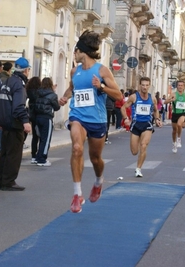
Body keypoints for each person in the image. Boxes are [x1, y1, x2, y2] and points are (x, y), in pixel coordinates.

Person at [58, 30, 122, 213]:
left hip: (97, 119)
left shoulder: (102, 70)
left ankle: (98, 181)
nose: (74, 55)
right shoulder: (74, 71)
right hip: (78, 116)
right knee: (77, 148)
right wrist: (64, 97)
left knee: (95, 158)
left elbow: (118, 95)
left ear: (81, 52)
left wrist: (100, 86)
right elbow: (72, 88)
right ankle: (77, 194)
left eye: (75, 52)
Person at [0, 57, 32, 191]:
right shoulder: (19, 85)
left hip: (5, 122)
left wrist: (0, 119)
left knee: (5, 153)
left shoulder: (6, 81)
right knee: (14, 154)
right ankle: (9, 181)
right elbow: (18, 106)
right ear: (26, 70)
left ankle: (0, 181)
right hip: (14, 123)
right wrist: (25, 121)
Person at [121, 77, 162, 177]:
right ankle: (139, 143)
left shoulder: (152, 98)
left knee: (144, 145)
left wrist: (157, 119)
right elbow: (123, 107)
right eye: (143, 85)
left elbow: (156, 110)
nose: (144, 87)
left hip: (147, 125)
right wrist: (126, 118)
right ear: (140, 85)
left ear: (149, 86)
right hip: (135, 125)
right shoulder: (134, 97)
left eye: (146, 85)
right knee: (134, 152)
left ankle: (138, 169)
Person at [34, 77, 60, 166]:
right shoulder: (52, 95)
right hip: (47, 118)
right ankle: (42, 159)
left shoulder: (38, 93)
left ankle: (38, 157)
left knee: (41, 138)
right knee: (46, 139)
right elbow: (56, 107)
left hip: (38, 117)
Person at [163, 81, 185, 153]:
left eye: (181, 85)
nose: (180, 87)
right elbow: (165, 102)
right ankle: (174, 143)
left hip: (182, 113)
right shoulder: (174, 94)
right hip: (175, 114)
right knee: (174, 131)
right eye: (179, 85)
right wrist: (171, 100)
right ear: (177, 86)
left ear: (183, 87)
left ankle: (179, 139)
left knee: (179, 124)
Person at [0, 62, 13, 154]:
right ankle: (0, 147)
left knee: (0, 127)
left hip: (0, 104)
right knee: (2, 128)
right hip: (5, 106)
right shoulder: (7, 79)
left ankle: (0, 147)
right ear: (10, 69)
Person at [25, 76, 41, 163]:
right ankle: (38, 154)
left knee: (34, 136)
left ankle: (33, 155)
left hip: (30, 114)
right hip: (37, 114)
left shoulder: (28, 91)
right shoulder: (39, 92)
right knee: (39, 135)